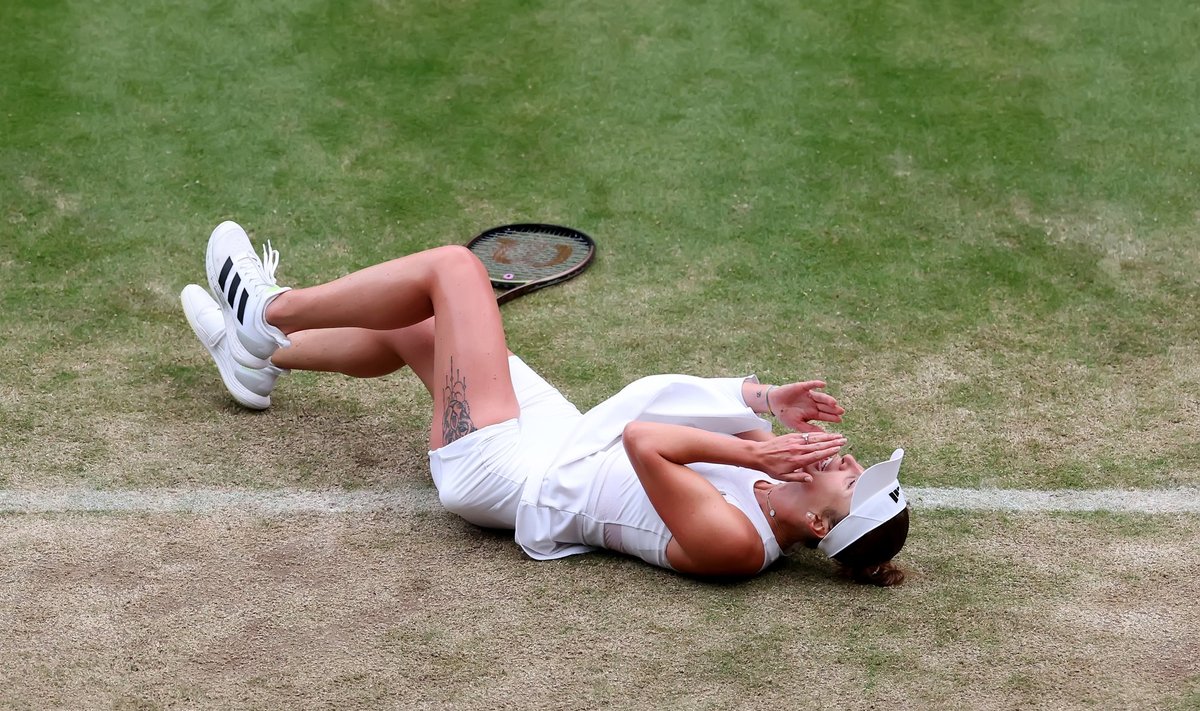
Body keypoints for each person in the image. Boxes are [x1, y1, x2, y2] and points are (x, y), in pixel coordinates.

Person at [181, 221, 911, 585]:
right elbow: (699, 413)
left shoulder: (739, 546)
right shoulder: (766, 477)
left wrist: (758, 446)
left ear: (817, 522)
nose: (848, 457)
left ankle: (270, 310)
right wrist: (764, 399)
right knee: (418, 323)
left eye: (853, 479)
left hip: (503, 472)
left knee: (455, 269)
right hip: (560, 435)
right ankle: (258, 359)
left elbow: (648, 442)